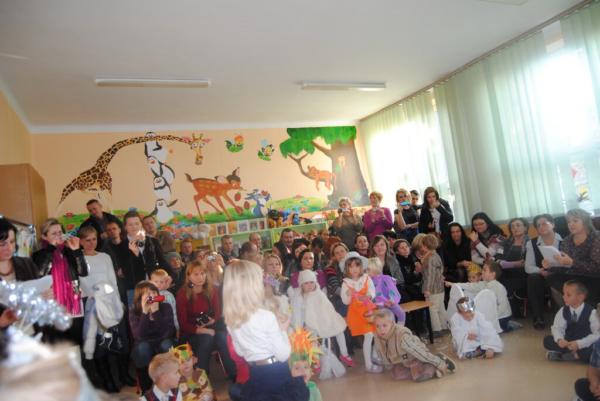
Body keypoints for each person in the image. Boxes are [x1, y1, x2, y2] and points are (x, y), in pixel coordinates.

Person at [223, 260, 309, 401]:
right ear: (252, 286)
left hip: (256, 375)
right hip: (276, 375)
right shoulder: (266, 316)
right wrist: (282, 330)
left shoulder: (231, 320)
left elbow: (240, 352)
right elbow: (283, 354)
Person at [78, 226, 128, 393]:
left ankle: (123, 375)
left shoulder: (105, 257)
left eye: (94, 239)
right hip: (93, 305)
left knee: (119, 340)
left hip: (111, 303)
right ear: (81, 241)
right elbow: (83, 284)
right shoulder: (78, 259)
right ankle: (107, 381)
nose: (91, 243)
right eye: (87, 240)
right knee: (101, 345)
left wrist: (117, 302)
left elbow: (113, 281)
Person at [33, 218, 88, 345]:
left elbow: (83, 272)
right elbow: (40, 273)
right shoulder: (39, 254)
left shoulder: (69, 251)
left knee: (75, 344)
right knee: (56, 344)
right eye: (54, 233)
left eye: (60, 232)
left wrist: (77, 251)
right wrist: (51, 248)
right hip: (51, 307)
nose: (58, 236)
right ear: (44, 237)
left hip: (73, 305)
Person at [176, 261, 235, 378]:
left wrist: (212, 320)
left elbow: (217, 313)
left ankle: (234, 375)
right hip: (192, 332)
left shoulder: (211, 289)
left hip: (211, 326)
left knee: (223, 337)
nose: (200, 277)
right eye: (196, 274)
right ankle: (201, 378)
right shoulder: (183, 294)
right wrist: (203, 330)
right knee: (207, 338)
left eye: (202, 273)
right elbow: (183, 324)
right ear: (189, 276)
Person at [289, 270, 354, 368]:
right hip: (310, 321)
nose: (309, 285)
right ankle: (316, 360)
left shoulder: (319, 293)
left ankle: (344, 354)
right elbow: (298, 313)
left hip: (325, 318)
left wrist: (331, 318)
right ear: (301, 285)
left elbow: (328, 307)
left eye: (312, 282)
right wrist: (299, 327)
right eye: (306, 283)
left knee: (339, 329)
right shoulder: (299, 297)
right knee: (312, 337)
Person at [373, 309, 455, 381]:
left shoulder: (402, 336)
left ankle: (436, 362)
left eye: (384, 325)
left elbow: (418, 352)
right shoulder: (377, 337)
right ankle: (422, 370)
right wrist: (389, 365)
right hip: (403, 361)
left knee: (418, 376)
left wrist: (439, 363)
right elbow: (381, 352)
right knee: (396, 374)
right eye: (378, 326)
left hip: (416, 356)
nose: (381, 329)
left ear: (392, 323)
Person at [130, 281, 176, 392]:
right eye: (147, 294)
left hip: (162, 340)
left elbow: (168, 332)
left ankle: (169, 382)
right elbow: (139, 336)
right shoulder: (134, 312)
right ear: (140, 298)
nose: (152, 296)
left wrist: (156, 312)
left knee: (167, 345)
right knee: (143, 348)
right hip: (144, 344)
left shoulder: (165, 307)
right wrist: (145, 313)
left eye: (154, 292)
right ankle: (146, 388)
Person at [120, 211, 174, 306]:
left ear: (141, 224)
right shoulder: (121, 246)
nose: (134, 227)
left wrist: (171, 276)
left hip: (155, 286)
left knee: (157, 313)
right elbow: (126, 272)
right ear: (125, 227)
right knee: (137, 314)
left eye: (137, 223)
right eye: (130, 224)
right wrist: (136, 255)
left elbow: (162, 261)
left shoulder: (152, 241)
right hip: (135, 290)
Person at [548, 208, 600, 307]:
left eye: (575, 221)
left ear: (585, 222)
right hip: (573, 276)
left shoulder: (596, 237)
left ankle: (582, 309)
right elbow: (564, 266)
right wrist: (551, 265)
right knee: (552, 277)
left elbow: (597, 267)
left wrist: (572, 263)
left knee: (582, 289)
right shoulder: (566, 240)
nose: (571, 224)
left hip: (593, 276)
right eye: (569, 222)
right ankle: (571, 308)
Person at [341, 252, 380, 373]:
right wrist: (348, 294)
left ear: (361, 266)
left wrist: (368, 295)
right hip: (356, 313)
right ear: (347, 268)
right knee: (369, 335)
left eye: (357, 265)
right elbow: (345, 301)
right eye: (351, 266)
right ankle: (369, 364)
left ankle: (374, 355)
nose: (354, 269)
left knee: (376, 333)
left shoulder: (366, 278)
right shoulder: (346, 283)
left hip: (368, 311)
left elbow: (372, 292)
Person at [446, 261, 512, 333]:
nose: (482, 272)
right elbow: (470, 286)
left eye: (484, 270)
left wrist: (492, 317)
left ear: (493, 274)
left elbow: (503, 306)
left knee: (481, 328)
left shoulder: (499, 287)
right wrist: (454, 284)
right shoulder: (483, 283)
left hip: (502, 317)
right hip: (492, 314)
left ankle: (508, 326)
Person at [544, 280, 599, 363]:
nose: (564, 297)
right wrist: (560, 339)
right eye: (563, 294)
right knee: (547, 340)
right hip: (568, 342)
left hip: (584, 344)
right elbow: (557, 328)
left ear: (580, 297)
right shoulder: (563, 310)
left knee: (594, 347)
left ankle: (568, 355)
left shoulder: (592, 312)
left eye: (568, 295)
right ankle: (574, 355)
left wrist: (579, 344)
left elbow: (597, 335)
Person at [0, 219, 40, 330]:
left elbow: (38, 293)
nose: (9, 248)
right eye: (2, 244)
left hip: (31, 333)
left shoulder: (27, 264)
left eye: (12, 242)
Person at [525, 214, 562, 330]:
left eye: (545, 223)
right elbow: (528, 266)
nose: (541, 227)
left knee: (556, 280)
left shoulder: (564, 240)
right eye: (538, 225)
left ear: (553, 224)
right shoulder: (532, 243)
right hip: (542, 274)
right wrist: (540, 271)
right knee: (533, 278)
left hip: (561, 273)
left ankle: (559, 317)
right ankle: (538, 316)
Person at [497, 217, 530, 318]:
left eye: (518, 225)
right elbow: (498, 260)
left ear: (525, 227)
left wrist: (506, 264)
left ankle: (511, 308)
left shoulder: (530, 243)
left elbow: (526, 263)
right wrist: (514, 264)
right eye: (512, 227)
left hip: (523, 273)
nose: (515, 228)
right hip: (506, 273)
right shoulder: (504, 243)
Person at [419, 234, 447, 336]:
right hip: (440, 287)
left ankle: (437, 329)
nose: (421, 247)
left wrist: (427, 289)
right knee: (441, 308)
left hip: (433, 289)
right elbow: (441, 270)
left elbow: (430, 275)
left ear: (425, 246)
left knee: (433, 309)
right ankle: (444, 326)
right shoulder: (436, 255)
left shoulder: (430, 258)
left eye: (422, 245)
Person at [367, 258, 405, 324]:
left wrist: (391, 299)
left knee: (401, 314)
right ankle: (389, 328)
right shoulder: (368, 281)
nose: (366, 272)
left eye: (368, 270)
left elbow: (392, 289)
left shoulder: (386, 278)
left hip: (390, 302)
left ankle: (399, 327)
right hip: (379, 304)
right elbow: (370, 295)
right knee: (386, 317)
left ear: (375, 269)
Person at [289, 329, 323, 401]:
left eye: (306, 367)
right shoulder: (289, 391)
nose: (302, 370)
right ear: (289, 373)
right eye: (297, 368)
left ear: (311, 371)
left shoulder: (313, 388)